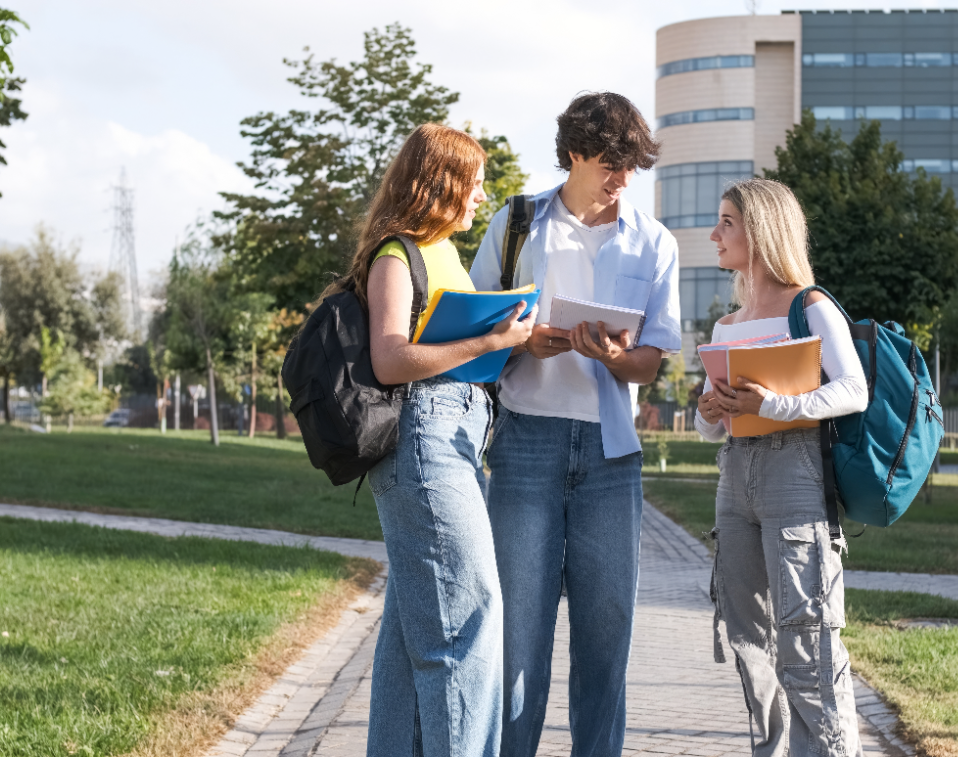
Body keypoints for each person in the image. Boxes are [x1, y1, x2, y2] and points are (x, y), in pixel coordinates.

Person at [469, 92, 682, 757]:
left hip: (610, 458)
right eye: (611, 163)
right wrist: (522, 342)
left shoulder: (654, 241)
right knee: (519, 641)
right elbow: (475, 328)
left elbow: (653, 361)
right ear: (573, 154)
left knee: (605, 635)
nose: (623, 178)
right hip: (526, 443)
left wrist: (618, 357)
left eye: (631, 166)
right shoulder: (515, 224)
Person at [355, 123, 534, 757]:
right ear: (442, 184)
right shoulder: (395, 255)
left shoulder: (446, 254)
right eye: (475, 184)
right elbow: (391, 359)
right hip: (425, 444)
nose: (482, 197)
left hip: (457, 437)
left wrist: (511, 339)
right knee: (467, 624)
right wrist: (489, 341)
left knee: (412, 637)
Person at [694, 178, 867, 756]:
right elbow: (709, 426)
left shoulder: (808, 305)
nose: (714, 234)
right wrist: (709, 409)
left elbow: (853, 390)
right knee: (746, 638)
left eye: (726, 223)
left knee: (807, 637)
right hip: (734, 478)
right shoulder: (727, 325)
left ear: (762, 230)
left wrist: (776, 405)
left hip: (796, 477)